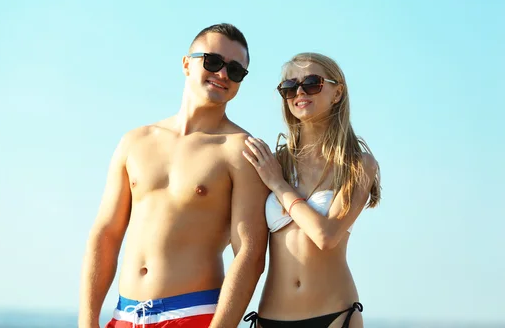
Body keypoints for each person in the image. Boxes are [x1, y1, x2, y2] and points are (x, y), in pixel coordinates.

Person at [78, 23, 270, 328]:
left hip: (193, 316)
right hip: (124, 316)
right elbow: (106, 233)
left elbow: (249, 252)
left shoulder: (240, 150)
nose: (222, 74)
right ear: (186, 63)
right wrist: (87, 321)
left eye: (235, 71)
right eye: (213, 61)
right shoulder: (135, 141)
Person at [241, 52, 381, 328]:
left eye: (312, 83)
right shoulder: (274, 162)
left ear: (337, 92)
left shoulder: (358, 164)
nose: (299, 92)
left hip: (335, 315)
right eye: (290, 87)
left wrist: (279, 185)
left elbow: (325, 235)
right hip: (271, 317)